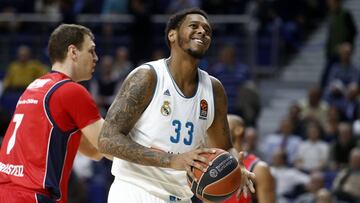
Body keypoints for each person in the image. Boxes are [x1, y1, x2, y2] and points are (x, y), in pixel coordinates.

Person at [98, 8, 256, 203]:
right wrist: (172, 161)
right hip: (136, 190)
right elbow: (106, 140)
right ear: (172, 35)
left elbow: (224, 147)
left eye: (207, 30)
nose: (202, 32)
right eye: (194, 26)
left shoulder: (214, 89)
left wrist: (235, 166)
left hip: (181, 197)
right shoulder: (148, 77)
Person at [0, 24, 104, 203]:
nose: (96, 58)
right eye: (91, 51)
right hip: (32, 195)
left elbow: (94, 151)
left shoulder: (34, 86)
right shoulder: (71, 90)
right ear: (73, 52)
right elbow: (111, 144)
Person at [223, 114, 275, 203]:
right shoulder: (212, 163)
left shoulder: (259, 168)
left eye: (223, 124)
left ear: (238, 130)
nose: (217, 129)